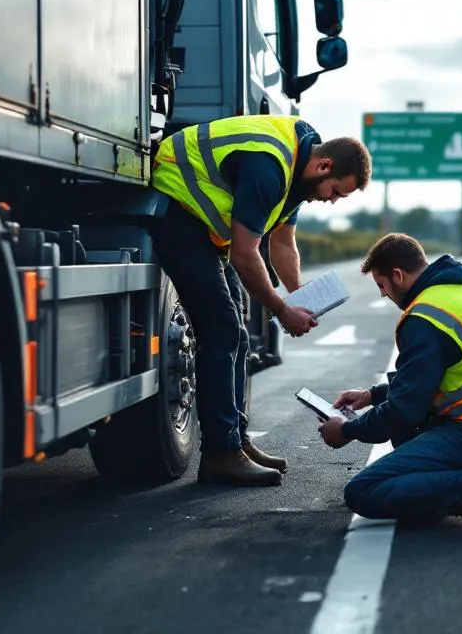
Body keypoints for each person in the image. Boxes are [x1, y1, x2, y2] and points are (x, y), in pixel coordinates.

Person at [151, 114, 371, 485]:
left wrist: (300, 295)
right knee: (223, 331)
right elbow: (244, 253)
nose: (332, 201)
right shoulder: (269, 165)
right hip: (177, 211)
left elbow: (283, 243)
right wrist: (282, 309)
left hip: (204, 230)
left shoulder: (299, 173)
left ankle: (235, 440)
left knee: (235, 331)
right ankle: (221, 454)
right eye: (336, 191)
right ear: (324, 166)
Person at [318, 233, 462, 538]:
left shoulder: (425, 316)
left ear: (398, 276)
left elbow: (404, 411)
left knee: (363, 490)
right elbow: (444, 374)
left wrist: (347, 431)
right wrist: (372, 395)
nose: (384, 296)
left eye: (382, 287)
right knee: (408, 435)